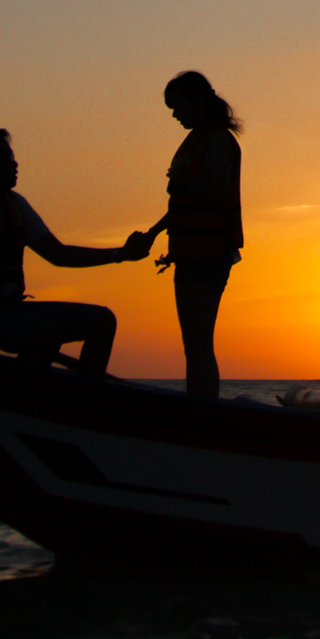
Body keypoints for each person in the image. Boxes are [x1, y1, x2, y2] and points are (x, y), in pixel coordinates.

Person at [0, 128, 149, 374]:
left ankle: (82, 398)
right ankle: (20, 396)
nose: (15, 164)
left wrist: (121, 255)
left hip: (9, 308)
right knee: (46, 336)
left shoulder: (16, 205)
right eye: (6, 159)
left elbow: (58, 255)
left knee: (102, 322)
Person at [139, 70, 242, 402]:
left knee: (198, 342)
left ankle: (203, 410)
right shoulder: (197, 139)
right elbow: (185, 201)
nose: (174, 114)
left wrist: (184, 181)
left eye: (177, 105)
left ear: (197, 102)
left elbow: (217, 196)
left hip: (209, 253)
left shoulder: (217, 141)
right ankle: (199, 404)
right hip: (189, 251)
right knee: (193, 343)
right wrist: (154, 232)